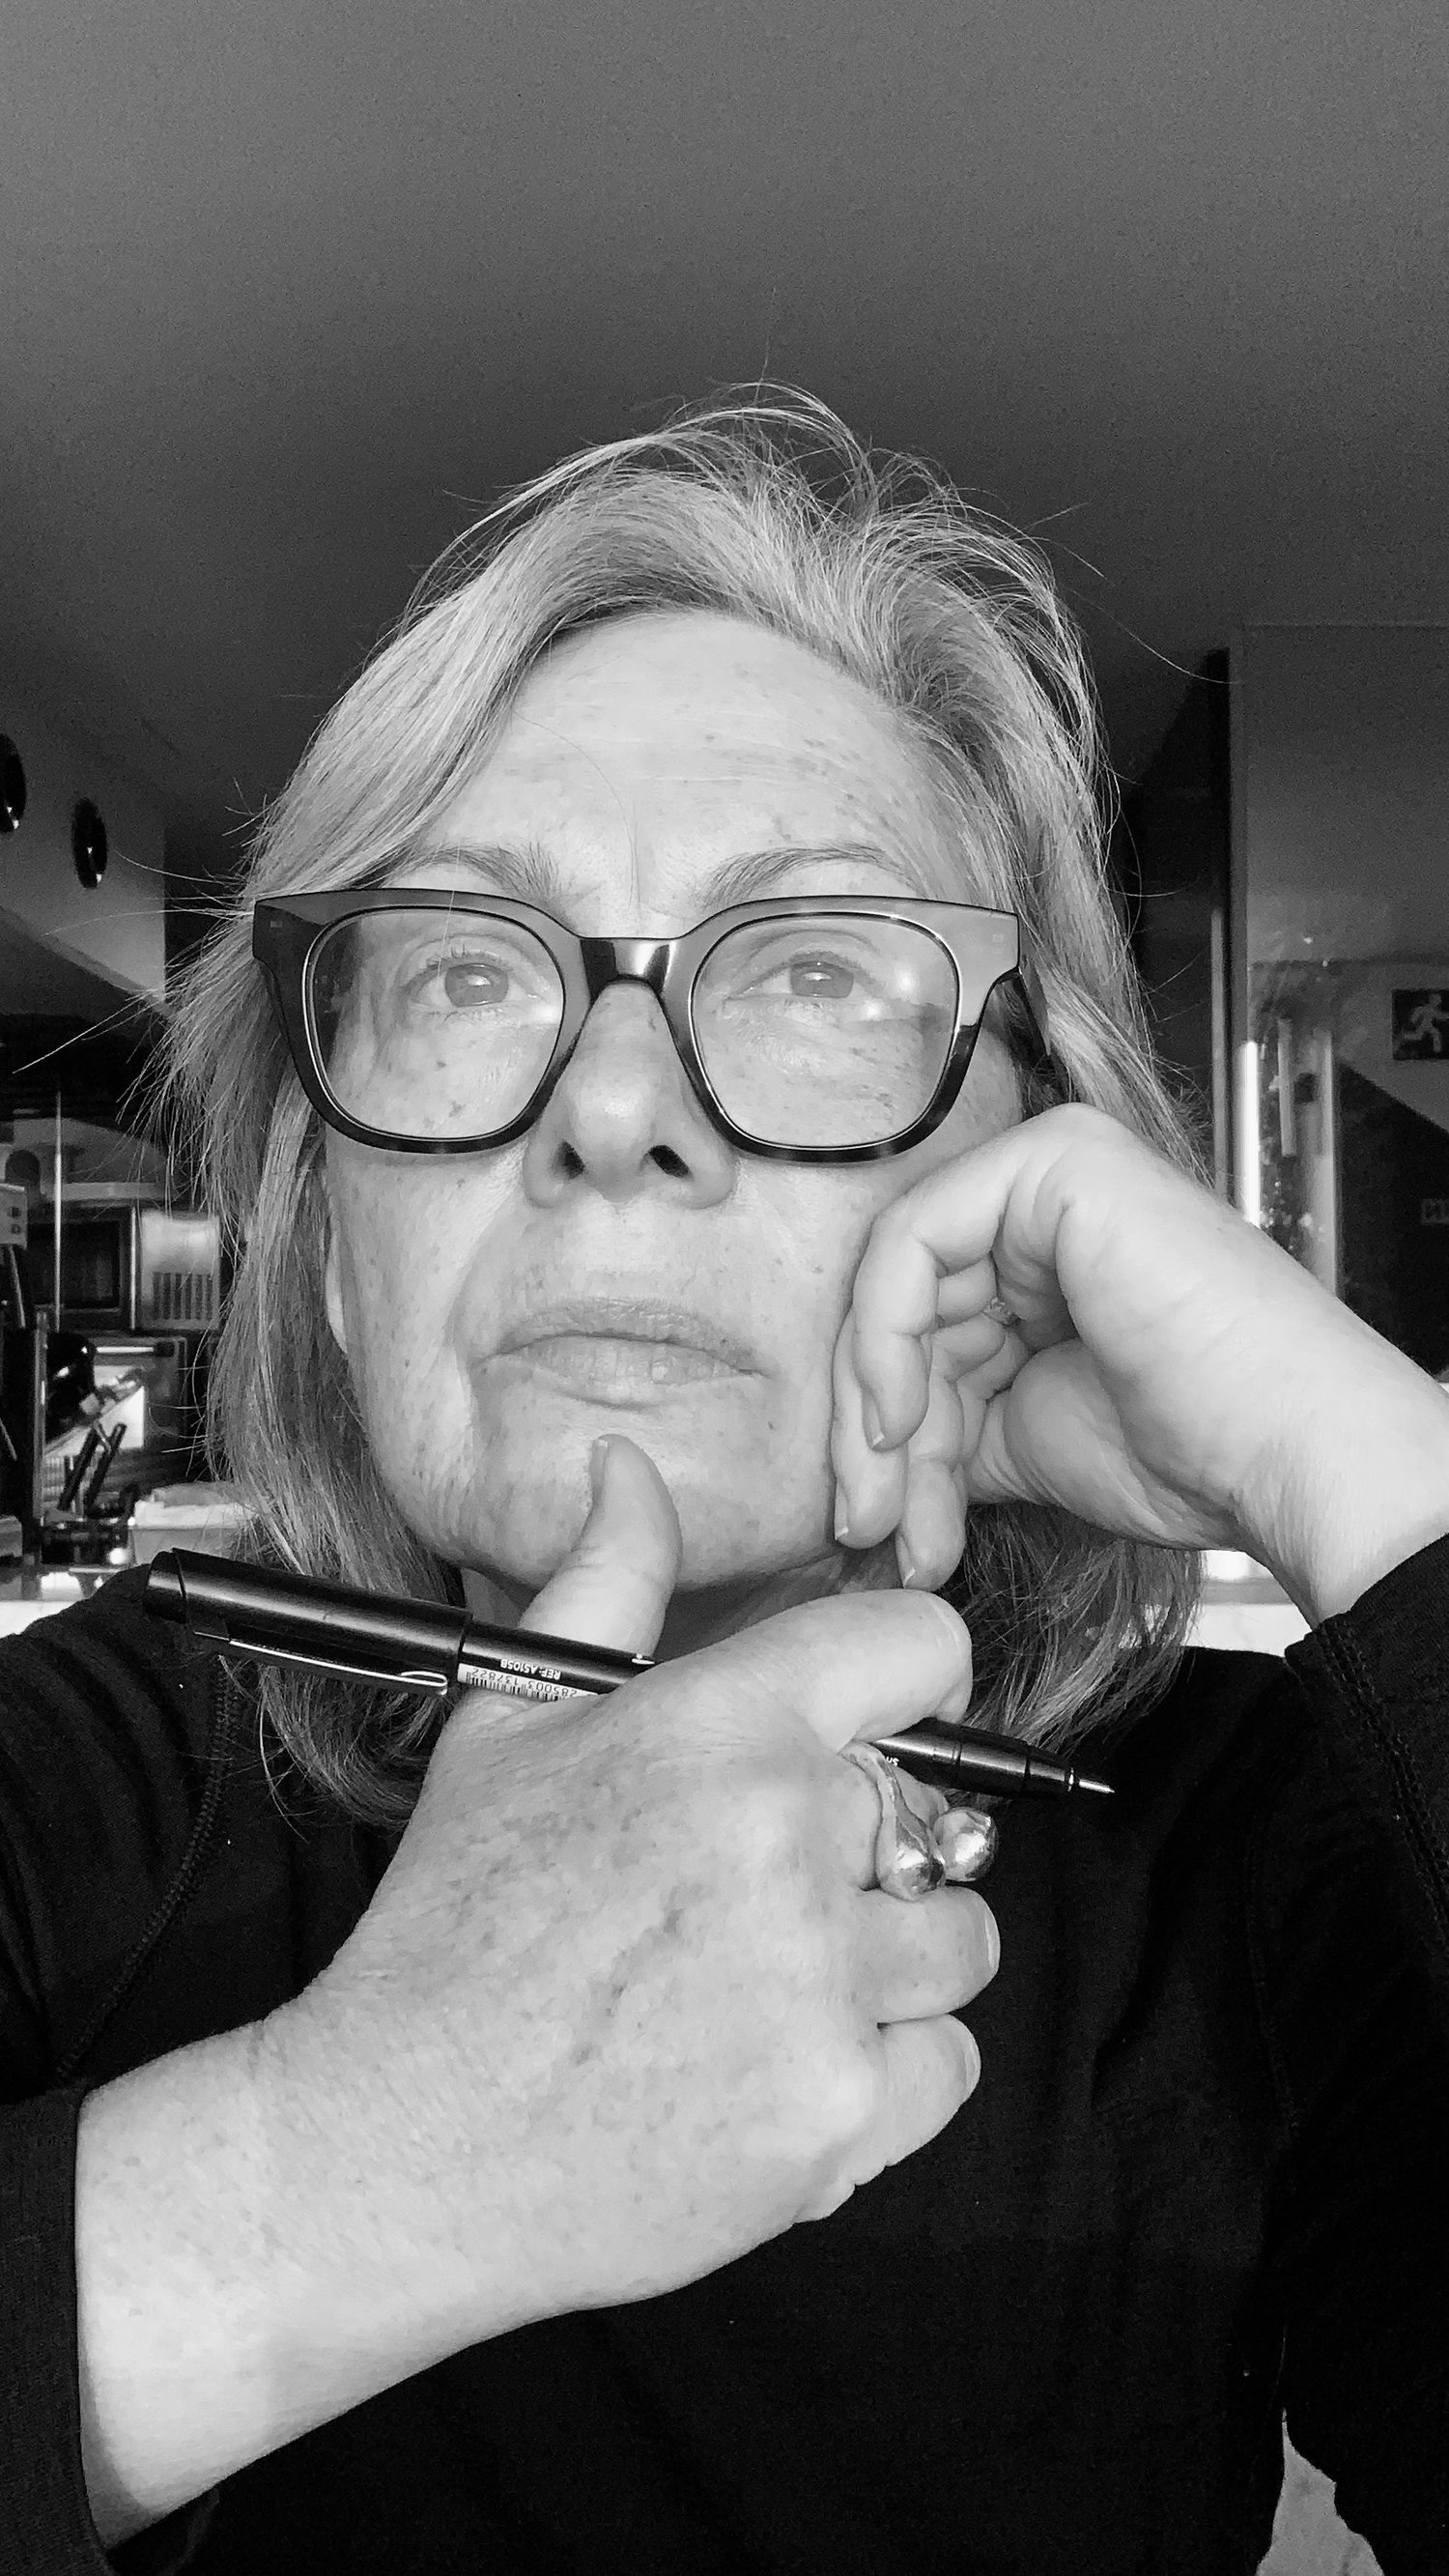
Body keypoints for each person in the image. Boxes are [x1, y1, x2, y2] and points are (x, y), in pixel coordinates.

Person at [2, 392, 1446, 2576]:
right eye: (469, 969)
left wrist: (1387, 1489)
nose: (608, 1107)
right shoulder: (90, 1779)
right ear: (322, 1207)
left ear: (1026, 1146)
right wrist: (353, 2164)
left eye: (814, 976)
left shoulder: (1259, 1856)